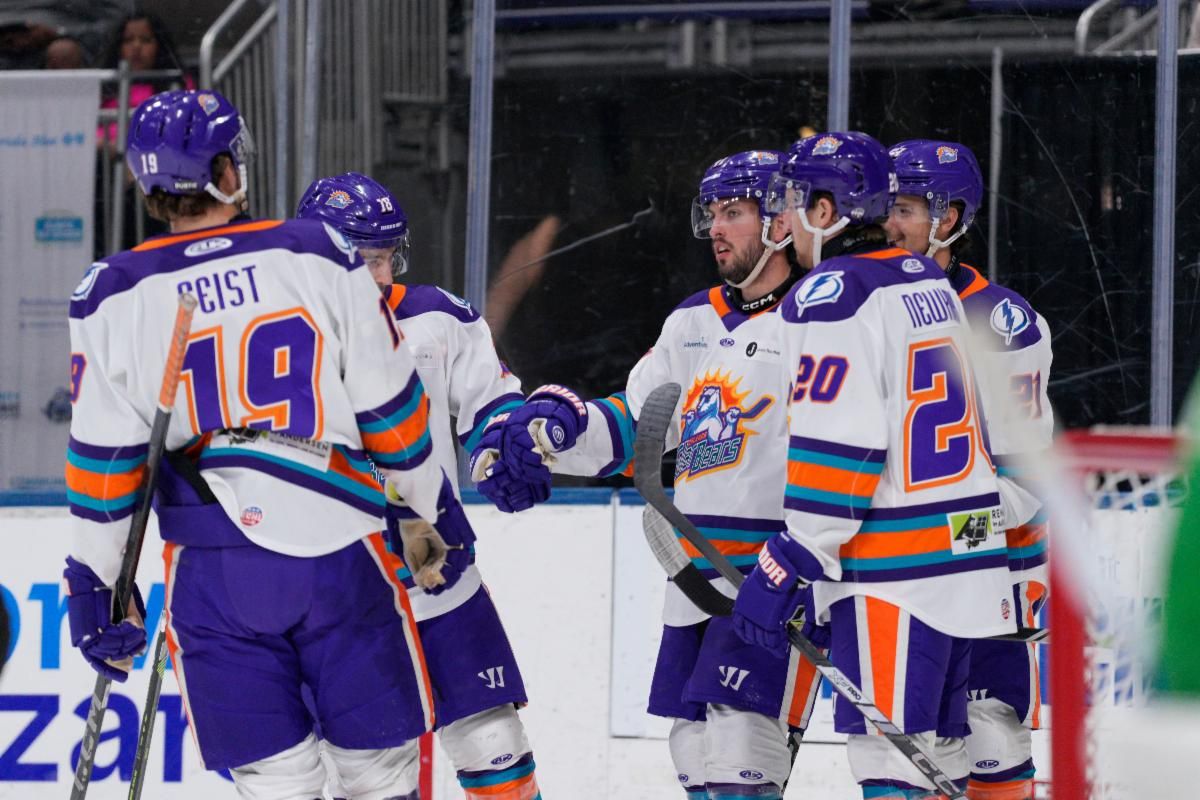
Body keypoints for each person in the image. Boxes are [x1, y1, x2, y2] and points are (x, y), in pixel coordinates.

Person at [64, 89, 469, 799]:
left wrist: (97, 587)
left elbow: (105, 468)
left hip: (213, 572)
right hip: (340, 551)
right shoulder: (316, 251)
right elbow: (393, 410)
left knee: (276, 783)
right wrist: (428, 510)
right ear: (227, 171)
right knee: (379, 773)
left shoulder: (111, 293)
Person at [475, 150, 822, 799]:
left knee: (742, 756)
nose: (716, 228)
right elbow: (635, 424)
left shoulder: (820, 321)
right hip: (694, 579)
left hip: (771, 579)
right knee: (694, 749)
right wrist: (558, 430)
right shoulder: (691, 323)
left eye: (734, 212)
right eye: (711, 213)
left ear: (781, 221)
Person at [730, 131, 1016, 799]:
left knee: (890, 757)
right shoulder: (927, 281)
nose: (783, 218)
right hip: (967, 558)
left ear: (826, 211)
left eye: (793, 201)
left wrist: (793, 554)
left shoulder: (833, 293)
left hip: (897, 575)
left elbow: (843, 442)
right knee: (942, 753)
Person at [296, 172, 543, 800]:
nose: (380, 275)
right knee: (375, 772)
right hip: (342, 594)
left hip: (440, 574)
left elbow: (491, 405)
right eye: (364, 259)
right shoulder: (275, 337)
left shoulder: (437, 317)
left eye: (387, 257)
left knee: (494, 740)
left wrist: (504, 453)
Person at [886, 139, 1052, 800]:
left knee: (990, 734)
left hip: (993, 570)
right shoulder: (862, 307)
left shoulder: (1000, 322)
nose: (886, 223)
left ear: (948, 218)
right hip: (904, 570)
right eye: (883, 206)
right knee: (911, 744)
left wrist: (941, 533)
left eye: (903, 208)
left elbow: (1024, 481)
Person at [97, 10, 194, 147]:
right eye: (128, 40)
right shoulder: (104, 87)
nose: (136, 46)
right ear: (118, 47)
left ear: (160, 46)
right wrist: (104, 145)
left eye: (145, 40)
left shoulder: (178, 83)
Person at [0, 0, 132, 69]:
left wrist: (60, 32)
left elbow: (117, 17)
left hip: (65, 41)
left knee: (63, 51)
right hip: (5, 40)